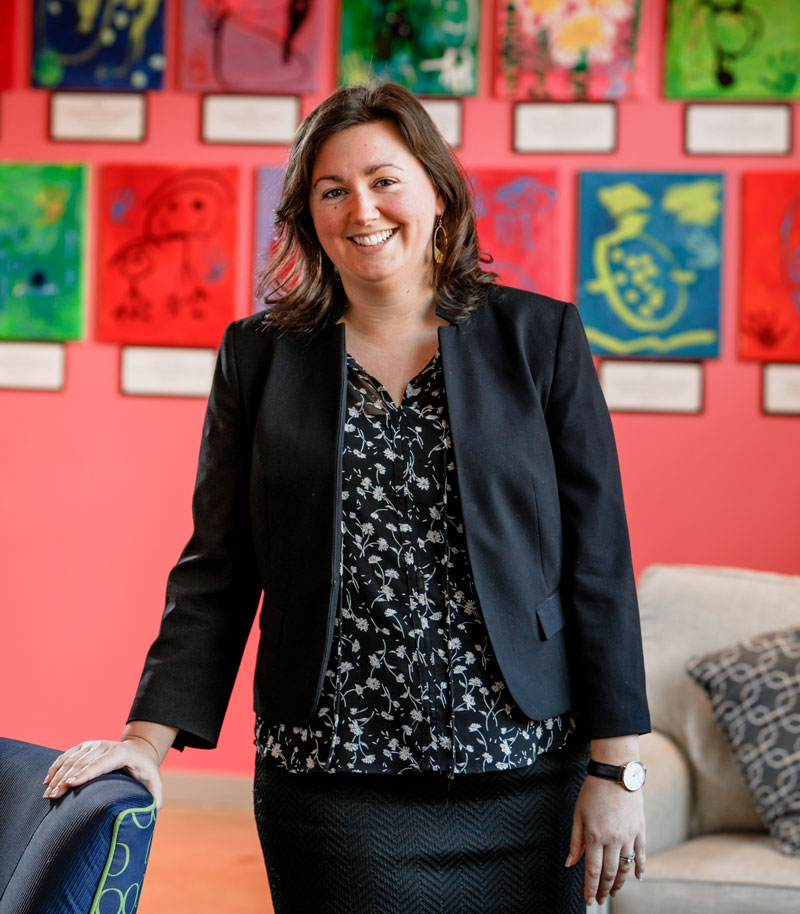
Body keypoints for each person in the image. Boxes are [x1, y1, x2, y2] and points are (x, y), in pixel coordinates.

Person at [44, 82, 650, 914]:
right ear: (308, 216)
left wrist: (618, 769)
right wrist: (145, 742)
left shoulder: (539, 339)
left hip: (529, 770)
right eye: (333, 191)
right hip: (330, 779)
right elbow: (218, 566)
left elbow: (599, 565)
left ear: (437, 191)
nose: (361, 208)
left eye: (384, 180)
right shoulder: (258, 356)